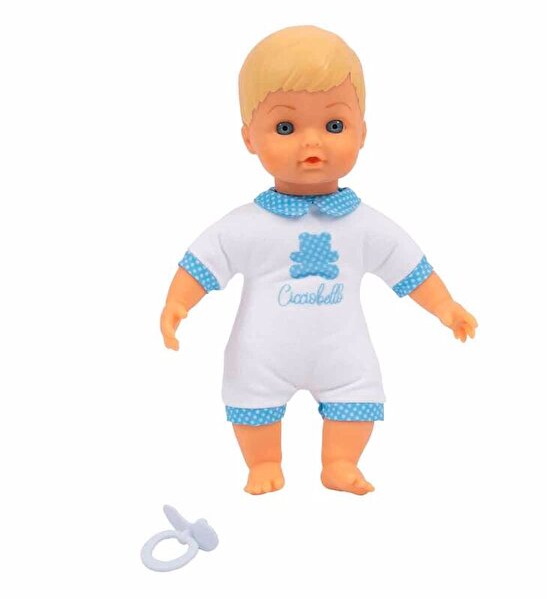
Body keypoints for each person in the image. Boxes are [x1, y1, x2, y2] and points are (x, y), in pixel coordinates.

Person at [160, 25, 477, 496]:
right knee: (251, 396)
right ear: (249, 138)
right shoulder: (247, 225)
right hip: (262, 351)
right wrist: (177, 304)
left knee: (359, 391)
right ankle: (263, 461)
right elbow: (203, 262)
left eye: (334, 126)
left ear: (362, 132)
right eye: (285, 128)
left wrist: (445, 307)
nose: (312, 144)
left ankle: (340, 461)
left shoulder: (364, 224)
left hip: (341, 349)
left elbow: (408, 266)